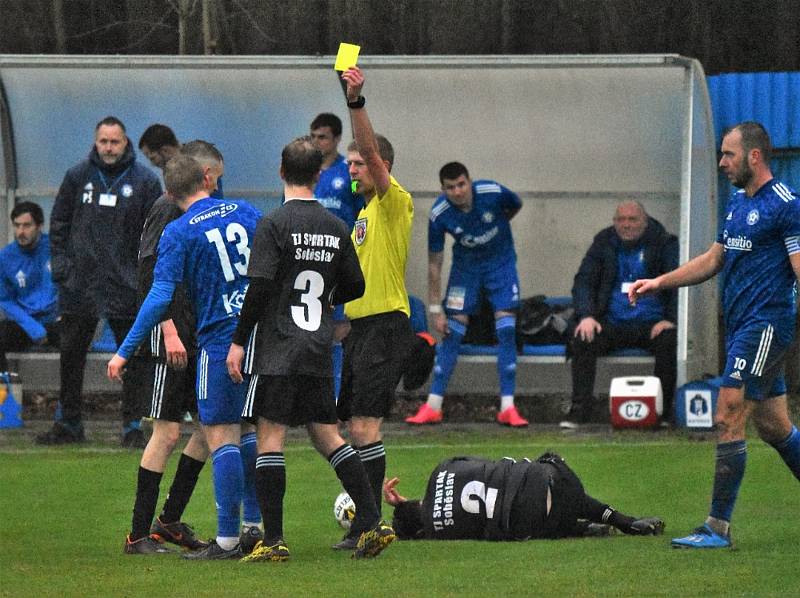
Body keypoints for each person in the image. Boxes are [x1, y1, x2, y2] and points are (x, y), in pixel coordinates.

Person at [629, 121, 800, 549]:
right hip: (743, 327)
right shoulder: (737, 203)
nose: (722, 162)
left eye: (728, 154)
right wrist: (659, 281)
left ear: (754, 156)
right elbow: (714, 258)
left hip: (765, 326)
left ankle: (716, 528)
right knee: (775, 426)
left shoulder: (786, 205)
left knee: (726, 414)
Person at [227, 136, 394, 562]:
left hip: (278, 348)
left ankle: (275, 540)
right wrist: (325, 298)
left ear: (281, 172)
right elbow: (355, 285)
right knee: (326, 435)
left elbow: (261, 286)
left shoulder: (274, 224)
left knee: (270, 437)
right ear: (319, 176)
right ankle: (373, 524)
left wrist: (238, 341)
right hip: (318, 348)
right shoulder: (337, 226)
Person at [108, 148, 262, 560]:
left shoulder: (196, 218)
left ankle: (173, 519)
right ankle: (138, 534)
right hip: (175, 337)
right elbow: (151, 280)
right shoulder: (170, 214)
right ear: (206, 175)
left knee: (214, 429)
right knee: (171, 431)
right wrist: (169, 330)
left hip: (206, 336)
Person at [38, 116, 162, 446]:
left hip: (126, 283)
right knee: (71, 354)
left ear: (126, 143)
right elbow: (59, 222)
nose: (108, 147)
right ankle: (69, 423)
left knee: (133, 355)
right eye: (103, 141)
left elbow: (157, 231)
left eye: (114, 141)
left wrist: (144, 275)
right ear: (96, 142)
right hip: (81, 283)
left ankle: (133, 425)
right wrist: (62, 266)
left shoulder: (145, 181)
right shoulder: (78, 176)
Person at [334, 66, 415, 549]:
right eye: (350, 164)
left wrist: (356, 102)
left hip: (386, 326)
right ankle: (367, 519)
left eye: (359, 163)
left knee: (364, 426)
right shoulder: (361, 216)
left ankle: (368, 524)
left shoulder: (392, 201)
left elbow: (369, 150)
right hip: (361, 330)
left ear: (379, 164)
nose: (352, 168)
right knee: (350, 426)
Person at [406, 162, 527, 427]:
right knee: (452, 331)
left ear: (469, 181)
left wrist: (497, 228)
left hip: (500, 263)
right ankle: (433, 405)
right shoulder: (440, 213)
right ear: (443, 189)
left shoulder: (492, 192)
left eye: (461, 184)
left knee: (506, 328)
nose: (458, 191)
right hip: (466, 269)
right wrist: (435, 309)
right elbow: (434, 263)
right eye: (451, 188)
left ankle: (508, 406)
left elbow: (515, 204)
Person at [562, 200, 678, 428]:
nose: (626, 225)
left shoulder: (664, 243)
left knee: (670, 340)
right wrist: (587, 315)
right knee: (582, 337)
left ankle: (661, 413)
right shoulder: (604, 242)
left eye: (632, 219)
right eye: (621, 220)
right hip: (611, 322)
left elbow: (677, 283)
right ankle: (580, 410)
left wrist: (670, 319)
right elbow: (583, 281)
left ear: (645, 222)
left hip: (652, 324)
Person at [382, 452, 664, 541]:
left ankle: (581, 529)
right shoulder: (442, 468)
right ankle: (623, 521)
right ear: (413, 502)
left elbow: (427, 520)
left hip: (536, 524)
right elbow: (490, 463)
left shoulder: (436, 533)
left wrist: (405, 520)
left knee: (525, 521)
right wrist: (403, 502)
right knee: (543, 464)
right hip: (552, 483)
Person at [309, 112, 363, 398]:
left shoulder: (349, 174)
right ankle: (315, 400)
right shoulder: (307, 172)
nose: (317, 142)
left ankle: (336, 402)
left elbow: (362, 207)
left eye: (323, 137)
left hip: (339, 262)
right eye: (313, 136)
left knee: (339, 332)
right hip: (308, 262)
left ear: (336, 139)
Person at [0, 202, 59, 371]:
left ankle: (69, 396)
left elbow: (71, 285)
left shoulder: (56, 249)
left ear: (40, 226)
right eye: (17, 225)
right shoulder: (5, 257)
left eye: (27, 225)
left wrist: (63, 311)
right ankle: (4, 393)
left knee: (75, 339)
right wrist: (33, 327)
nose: (21, 232)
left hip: (54, 320)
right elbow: (5, 300)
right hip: (24, 322)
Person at [139, 124, 224, 199]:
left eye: (152, 158)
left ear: (165, 150)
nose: (152, 164)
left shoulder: (199, 162)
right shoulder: (174, 169)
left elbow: (215, 202)